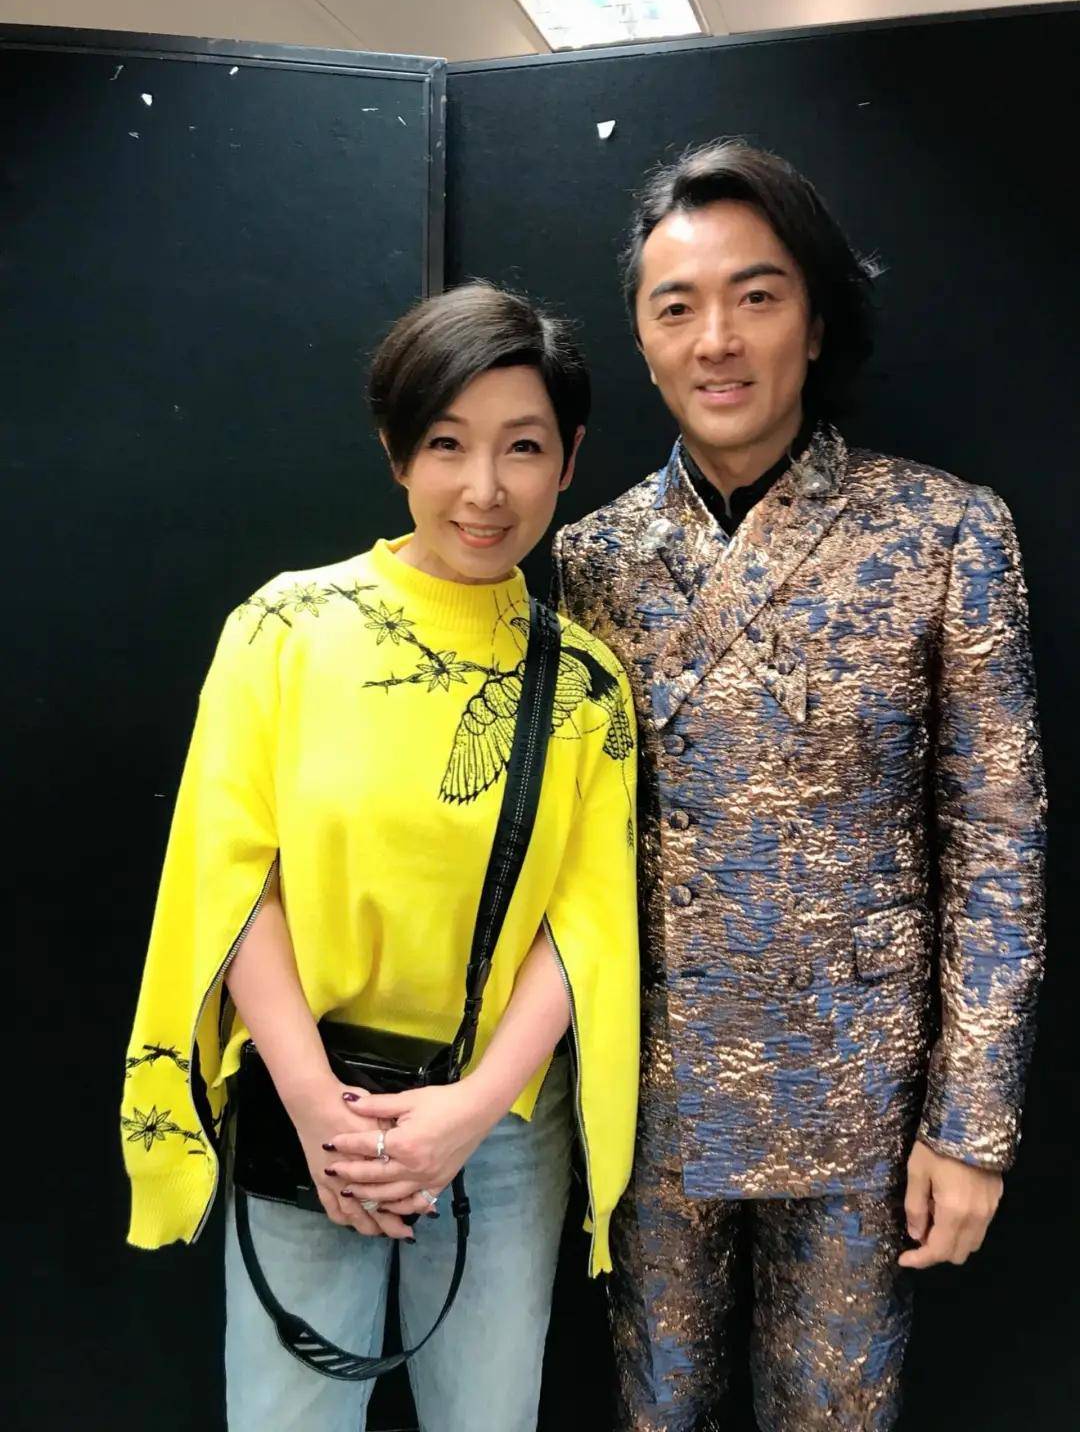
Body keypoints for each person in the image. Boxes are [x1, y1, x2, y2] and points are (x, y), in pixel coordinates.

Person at [552, 139, 1046, 1431]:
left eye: (756, 296)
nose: (717, 339)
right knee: (655, 1413)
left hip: (862, 1102)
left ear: (815, 323)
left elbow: (998, 849)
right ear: (644, 340)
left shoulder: (942, 530)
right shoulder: (588, 561)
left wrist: (972, 1126)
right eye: (678, 307)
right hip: (646, 1093)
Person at [120, 282, 640, 1432]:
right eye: (447, 444)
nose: (484, 488)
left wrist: (471, 1111)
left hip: (500, 1128)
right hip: (314, 1102)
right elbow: (233, 881)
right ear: (396, 450)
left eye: (523, 447)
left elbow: (586, 926)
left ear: (569, 460)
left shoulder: (586, 683)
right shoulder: (283, 632)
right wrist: (317, 1105)